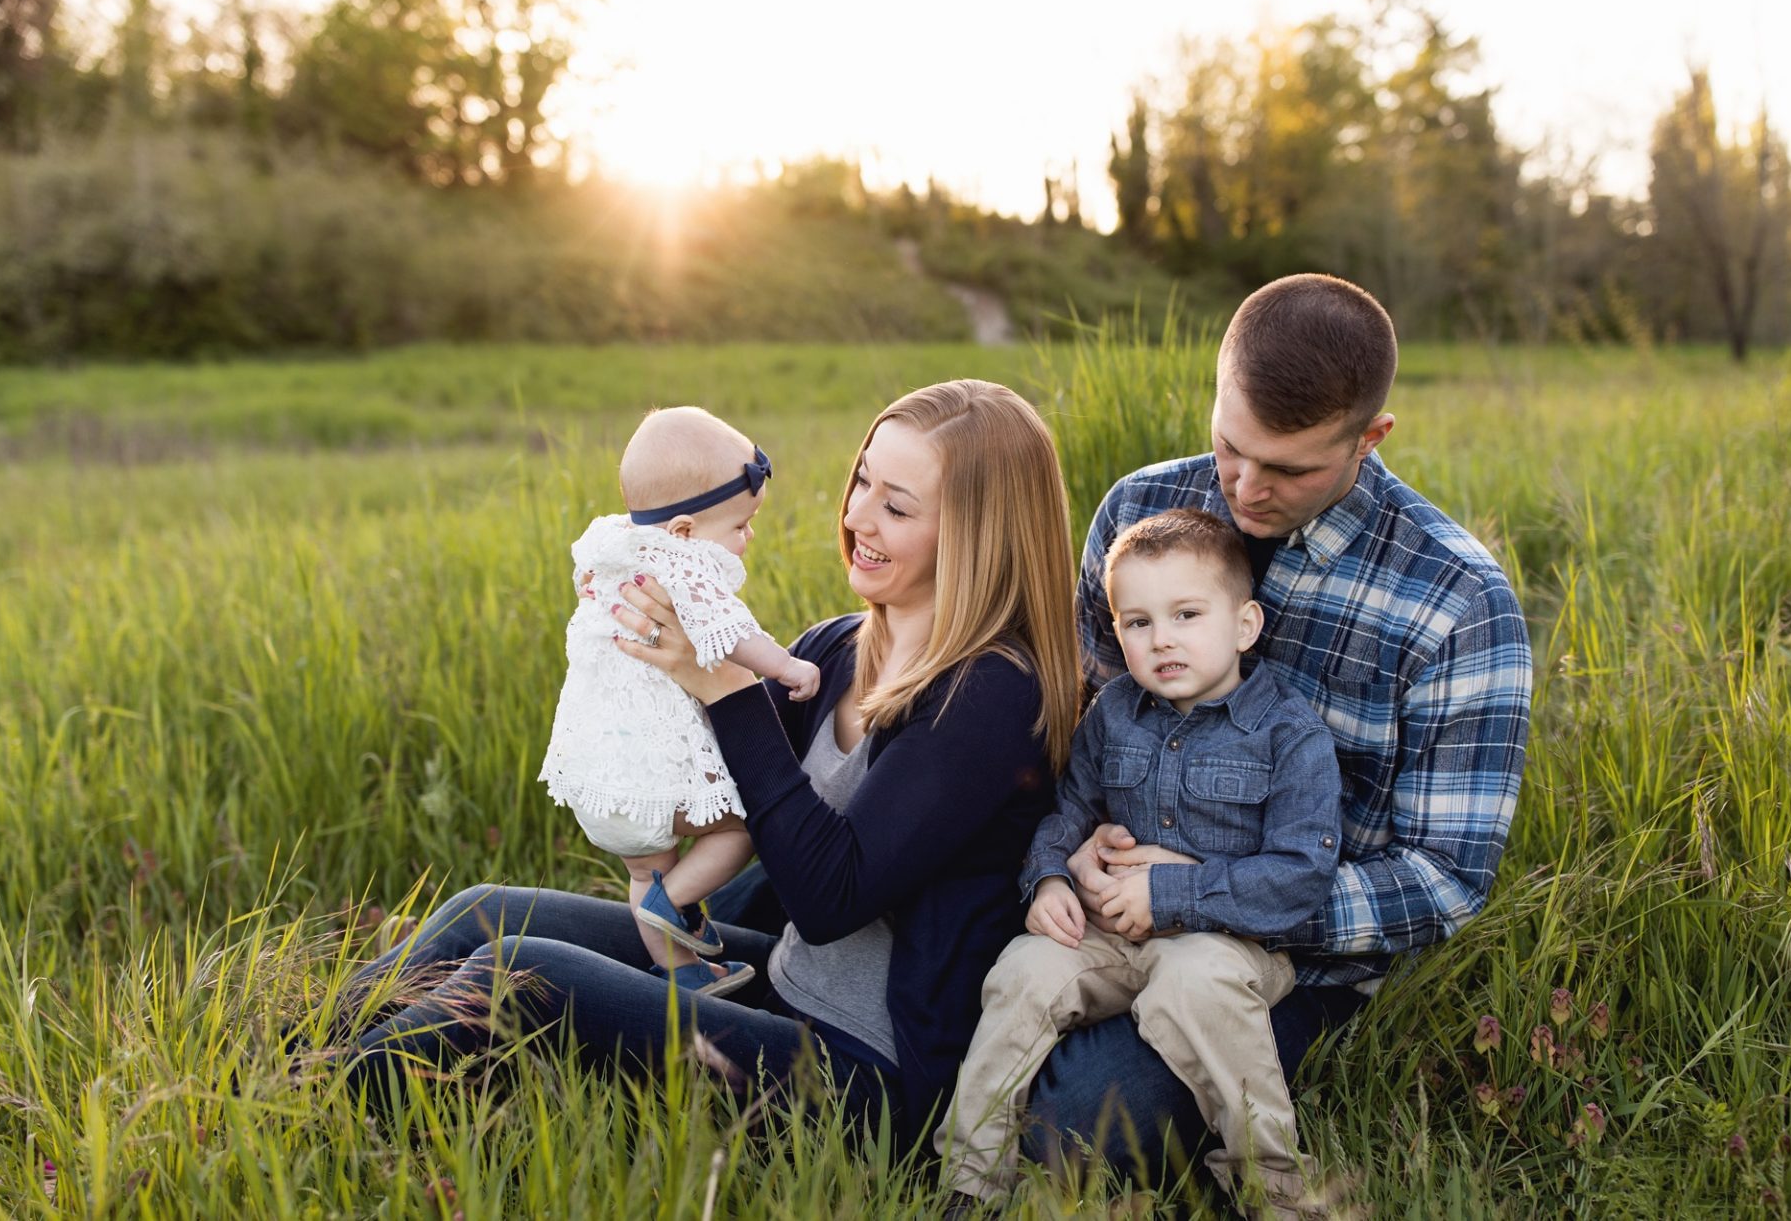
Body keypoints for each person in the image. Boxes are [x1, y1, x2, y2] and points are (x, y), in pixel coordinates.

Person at [325, 380, 1081, 1147]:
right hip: (785, 988)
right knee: (484, 912)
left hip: (868, 1079)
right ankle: (296, 1060)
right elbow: (725, 784)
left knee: (526, 976)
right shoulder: (836, 649)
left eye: (898, 505)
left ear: (977, 535)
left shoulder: (992, 695)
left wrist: (724, 682)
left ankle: (320, 1112)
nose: (856, 516)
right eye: (861, 481)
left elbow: (829, 895)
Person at [1025, 273, 1533, 1180]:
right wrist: (1074, 856)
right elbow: (1087, 718)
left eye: (1291, 468)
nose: (1246, 488)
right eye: (1231, 446)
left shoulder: (1457, 600)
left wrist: (1212, 892)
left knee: (1079, 1124)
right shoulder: (1140, 509)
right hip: (1106, 908)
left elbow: (1447, 877)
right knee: (933, 977)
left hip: (1289, 959)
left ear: (1369, 438)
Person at [935, 508, 1342, 1211]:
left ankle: (1274, 1186)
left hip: (1231, 945)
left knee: (1193, 982)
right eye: (1138, 622)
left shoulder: (1288, 733)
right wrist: (1051, 876)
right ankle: (969, 1180)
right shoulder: (1115, 712)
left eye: (1186, 614)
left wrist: (1175, 892)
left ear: (1244, 625)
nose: (1163, 640)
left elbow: (1301, 872)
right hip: (1113, 935)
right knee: (1024, 970)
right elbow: (1069, 809)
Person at [537, 406, 819, 996]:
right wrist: (789, 666)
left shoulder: (613, 548)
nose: (748, 538)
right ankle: (675, 904)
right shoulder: (683, 565)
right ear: (686, 531)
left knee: (645, 870)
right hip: (652, 784)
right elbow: (735, 636)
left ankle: (683, 973)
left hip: (600, 783)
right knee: (742, 825)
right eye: (741, 525)